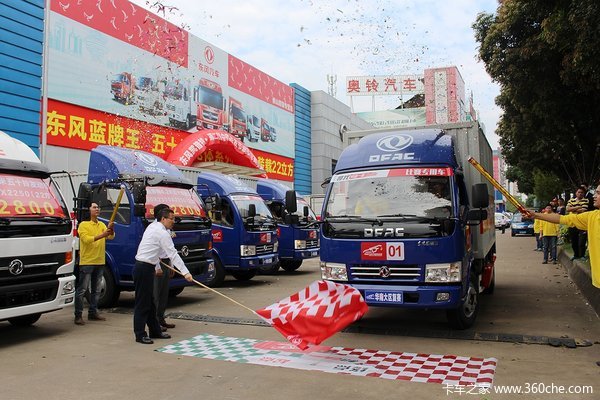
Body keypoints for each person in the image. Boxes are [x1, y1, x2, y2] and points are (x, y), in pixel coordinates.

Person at [133, 207, 193, 344]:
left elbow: (156, 252)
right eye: (171, 219)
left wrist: (158, 266)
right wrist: (186, 273)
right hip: (143, 268)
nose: (173, 221)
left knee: (150, 303)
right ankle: (140, 334)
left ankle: (155, 331)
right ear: (163, 219)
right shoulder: (162, 233)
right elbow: (172, 253)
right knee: (143, 303)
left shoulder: (153, 226)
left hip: (147, 267)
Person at [525, 184, 600, 289]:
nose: (594, 196)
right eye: (596, 192)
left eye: (598, 193)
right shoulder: (592, 216)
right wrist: (536, 215)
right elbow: (563, 219)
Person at [74, 203, 114, 325]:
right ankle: (78, 315)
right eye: (94, 207)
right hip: (87, 261)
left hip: (100, 261)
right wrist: (103, 234)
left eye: (98, 207)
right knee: (82, 289)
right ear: (88, 210)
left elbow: (111, 237)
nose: (97, 209)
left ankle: (93, 312)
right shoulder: (83, 225)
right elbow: (86, 240)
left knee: (96, 290)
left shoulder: (101, 224)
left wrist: (111, 230)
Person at [152, 203, 176, 331]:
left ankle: (161, 318)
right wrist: (157, 267)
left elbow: (170, 250)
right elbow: (153, 251)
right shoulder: (154, 229)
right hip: (158, 263)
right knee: (155, 294)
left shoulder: (167, 230)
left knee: (164, 294)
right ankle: (155, 322)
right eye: (169, 217)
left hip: (166, 262)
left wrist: (171, 265)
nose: (172, 220)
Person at [566, 185, 590, 260]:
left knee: (582, 242)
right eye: (579, 192)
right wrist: (578, 207)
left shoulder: (586, 200)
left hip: (582, 224)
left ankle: (582, 255)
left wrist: (573, 209)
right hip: (572, 223)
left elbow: (584, 210)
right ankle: (576, 255)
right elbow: (567, 209)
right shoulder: (571, 200)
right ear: (576, 193)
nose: (580, 194)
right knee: (574, 241)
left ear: (584, 193)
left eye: (582, 192)